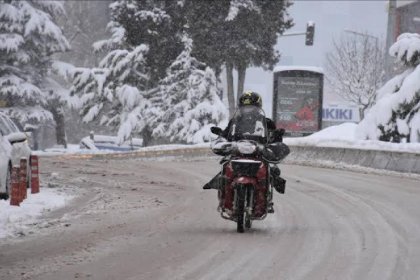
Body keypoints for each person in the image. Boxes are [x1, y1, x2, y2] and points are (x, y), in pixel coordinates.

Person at [203, 91, 288, 213]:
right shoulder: (235, 121)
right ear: (240, 108)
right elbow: (227, 134)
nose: (248, 110)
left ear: (258, 108)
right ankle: (224, 198)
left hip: (258, 153)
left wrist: (277, 136)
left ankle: (267, 200)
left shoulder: (267, 122)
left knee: (273, 170)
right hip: (237, 152)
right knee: (224, 168)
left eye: (251, 107)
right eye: (245, 107)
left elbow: (273, 139)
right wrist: (221, 135)